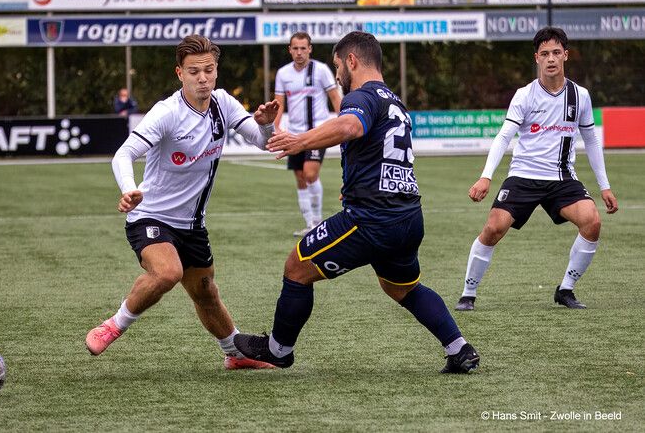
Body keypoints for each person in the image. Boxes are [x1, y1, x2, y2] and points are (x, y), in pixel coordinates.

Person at [234, 31, 480, 374]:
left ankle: (278, 350)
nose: (337, 74)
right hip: (408, 216)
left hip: (373, 220)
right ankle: (459, 348)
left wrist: (299, 141)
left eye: (338, 65)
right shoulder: (395, 102)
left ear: (352, 61)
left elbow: (350, 126)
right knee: (403, 288)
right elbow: (383, 156)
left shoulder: (359, 97)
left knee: (297, 267)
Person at [86, 35, 279, 370]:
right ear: (180, 73)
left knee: (206, 291)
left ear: (216, 71)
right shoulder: (167, 113)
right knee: (169, 272)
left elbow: (262, 143)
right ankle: (114, 324)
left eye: (208, 70)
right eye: (194, 72)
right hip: (150, 216)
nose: (202, 78)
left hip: (192, 224)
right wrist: (129, 189)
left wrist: (266, 125)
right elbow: (124, 153)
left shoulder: (224, 104)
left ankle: (235, 354)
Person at [454, 27, 618, 312]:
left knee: (592, 222)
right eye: (545, 54)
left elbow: (591, 140)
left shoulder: (580, 96)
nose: (551, 59)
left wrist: (604, 185)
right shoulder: (524, 95)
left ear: (565, 55)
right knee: (494, 227)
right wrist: (486, 176)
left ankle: (565, 289)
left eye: (556, 53)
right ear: (537, 58)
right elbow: (504, 136)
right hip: (524, 175)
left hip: (562, 178)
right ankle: (468, 293)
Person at [274, 32, 342, 237]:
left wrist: (345, 121)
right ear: (289, 50)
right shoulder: (283, 73)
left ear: (310, 49)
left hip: (316, 132)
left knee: (311, 173)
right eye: (295, 48)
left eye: (303, 48)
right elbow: (278, 104)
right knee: (301, 177)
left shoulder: (321, 70)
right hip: (293, 134)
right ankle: (309, 223)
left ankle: (317, 222)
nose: (299, 52)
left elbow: (335, 98)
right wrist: (275, 128)